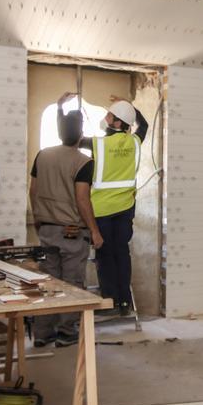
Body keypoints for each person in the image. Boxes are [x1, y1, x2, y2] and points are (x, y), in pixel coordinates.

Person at [57, 92, 147, 316]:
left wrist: (61, 109)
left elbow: (68, 138)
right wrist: (128, 104)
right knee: (122, 254)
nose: (106, 117)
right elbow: (143, 123)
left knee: (105, 256)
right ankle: (125, 302)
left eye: (110, 115)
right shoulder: (135, 141)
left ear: (117, 122)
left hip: (102, 210)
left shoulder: (98, 144)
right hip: (125, 209)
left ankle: (110, 302)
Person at [28, 110, 102, 347]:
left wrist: (39, 217)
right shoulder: (83, 161)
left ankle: (42, 334)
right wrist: (94, 230)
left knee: (48, 281)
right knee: (71, 283)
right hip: (71, 233)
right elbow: (82, 199)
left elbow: (33, 190)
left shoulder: (43, 155)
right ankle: (66, 332)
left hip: (47, 230)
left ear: (60, 133)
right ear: (80, 135)